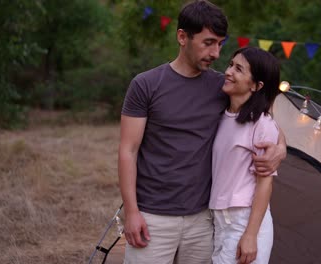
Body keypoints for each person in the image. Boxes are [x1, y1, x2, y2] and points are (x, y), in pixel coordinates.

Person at [118, 1, 286, 263]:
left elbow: (264, 119)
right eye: (208, 42)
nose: (216, 53)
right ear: (182, 37)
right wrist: (131, 212)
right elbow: (128, 150)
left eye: (220, 43)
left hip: (203, 219)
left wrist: (281, 148)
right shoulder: (146, 84)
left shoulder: (222, 86)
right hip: (153, 216)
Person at [210, 47, 280, 264]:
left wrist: (250, 235)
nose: (229, 71)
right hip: (219, 220)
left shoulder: (262, 124)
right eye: (230, 64)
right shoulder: (222, 116)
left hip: (244, 221)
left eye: (239, 69)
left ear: (256, 85)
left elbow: (264, 184)